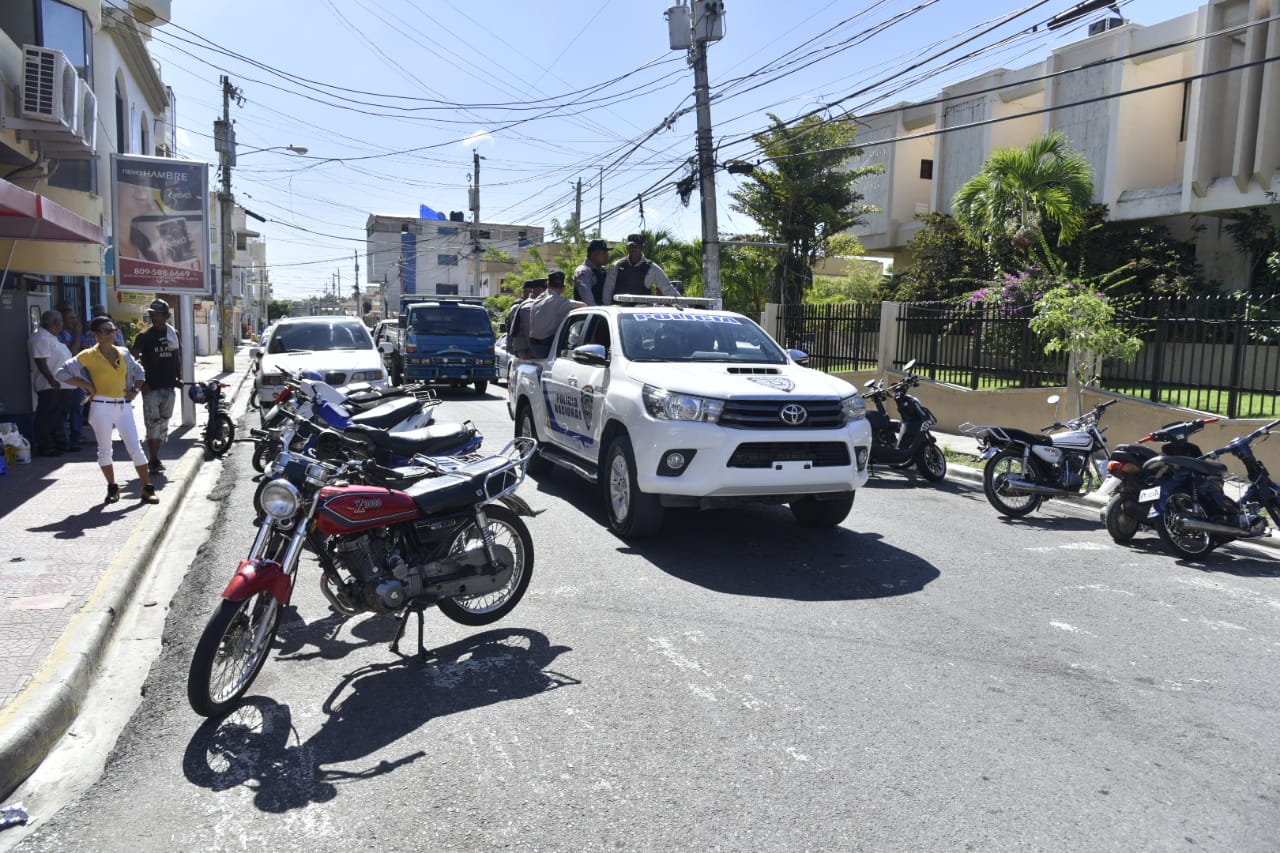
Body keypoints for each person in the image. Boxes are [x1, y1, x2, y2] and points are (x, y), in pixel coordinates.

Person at [57, 316, 158, 504]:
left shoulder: (124, 353)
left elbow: (140, 372)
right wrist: (86, 386)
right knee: (105, 450)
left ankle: (147, 488)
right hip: (101, 406)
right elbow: (61, 373)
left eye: (113, 330)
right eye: (105, 331)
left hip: (123, 405)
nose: (111, 334)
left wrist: (135, 390)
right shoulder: (87, 355)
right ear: (95, 334)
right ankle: (112, 487)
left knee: (135, 447)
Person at [130, 299, 182, 474]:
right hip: (151, 388)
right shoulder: (144, 337)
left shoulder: (172, 334)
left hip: (169, 386)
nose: (155, 317)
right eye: (153, 314)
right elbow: (131, 360)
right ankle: (153, 459)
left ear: (167, 316)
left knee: (164, 424)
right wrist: (141, 383)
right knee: (153, 424)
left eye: (159, 314)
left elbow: (176, 357)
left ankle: (155, 457)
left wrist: (179, 377)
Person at [29, 310, 75, 456]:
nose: (62, 324)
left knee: (58, 416)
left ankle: (60, 443)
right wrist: (51, 379)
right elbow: (40, 361)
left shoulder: (52, 337)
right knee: (47, 416)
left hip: (63, 384)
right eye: (61, 321)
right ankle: (46, 446)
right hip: (51, 385)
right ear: (55, 323)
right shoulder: (41, 338)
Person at [604, 233, 679, 303]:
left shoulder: (652, 268)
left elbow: (667, 288)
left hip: (640, 312)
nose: (633, 249)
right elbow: (607, 289)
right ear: (627, 247)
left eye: (636, 246)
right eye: (631, 246)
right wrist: (607, 307)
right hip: (619, 311)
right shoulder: (617, 266)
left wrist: (683, 306)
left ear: (642, 248)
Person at [527, 271, 584, 358]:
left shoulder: (539, 298)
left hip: (533, 346)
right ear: (564, 287)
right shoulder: (560, 302)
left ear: (548, 284)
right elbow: (583, 305)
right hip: (546, 347)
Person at [507, 278, 546, 359]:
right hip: (523, 348)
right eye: (526, 291)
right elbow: (525, 329)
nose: (527, 294)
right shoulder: (519, 306)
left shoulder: (537, 304)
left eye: (529, 292)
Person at [573, 239, 612, 306]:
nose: (607, 256)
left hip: (601, 313)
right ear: (594, 254)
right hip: (588, 314)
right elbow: (588, 301)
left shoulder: (602, 270)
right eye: (604, 253)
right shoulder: (584, 271)